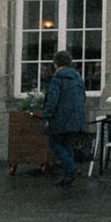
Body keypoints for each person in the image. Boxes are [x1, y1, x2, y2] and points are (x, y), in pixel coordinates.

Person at [40, 50, 89, 186]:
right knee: (68, 146)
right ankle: (66, 177)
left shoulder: (57, 79)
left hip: (61, 117)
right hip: (76, 118)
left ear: (56, 64)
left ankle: (71, 168)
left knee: (54, 143)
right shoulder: (78, 78)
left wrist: (46, 118)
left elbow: (52, 101)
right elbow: (83, 97)